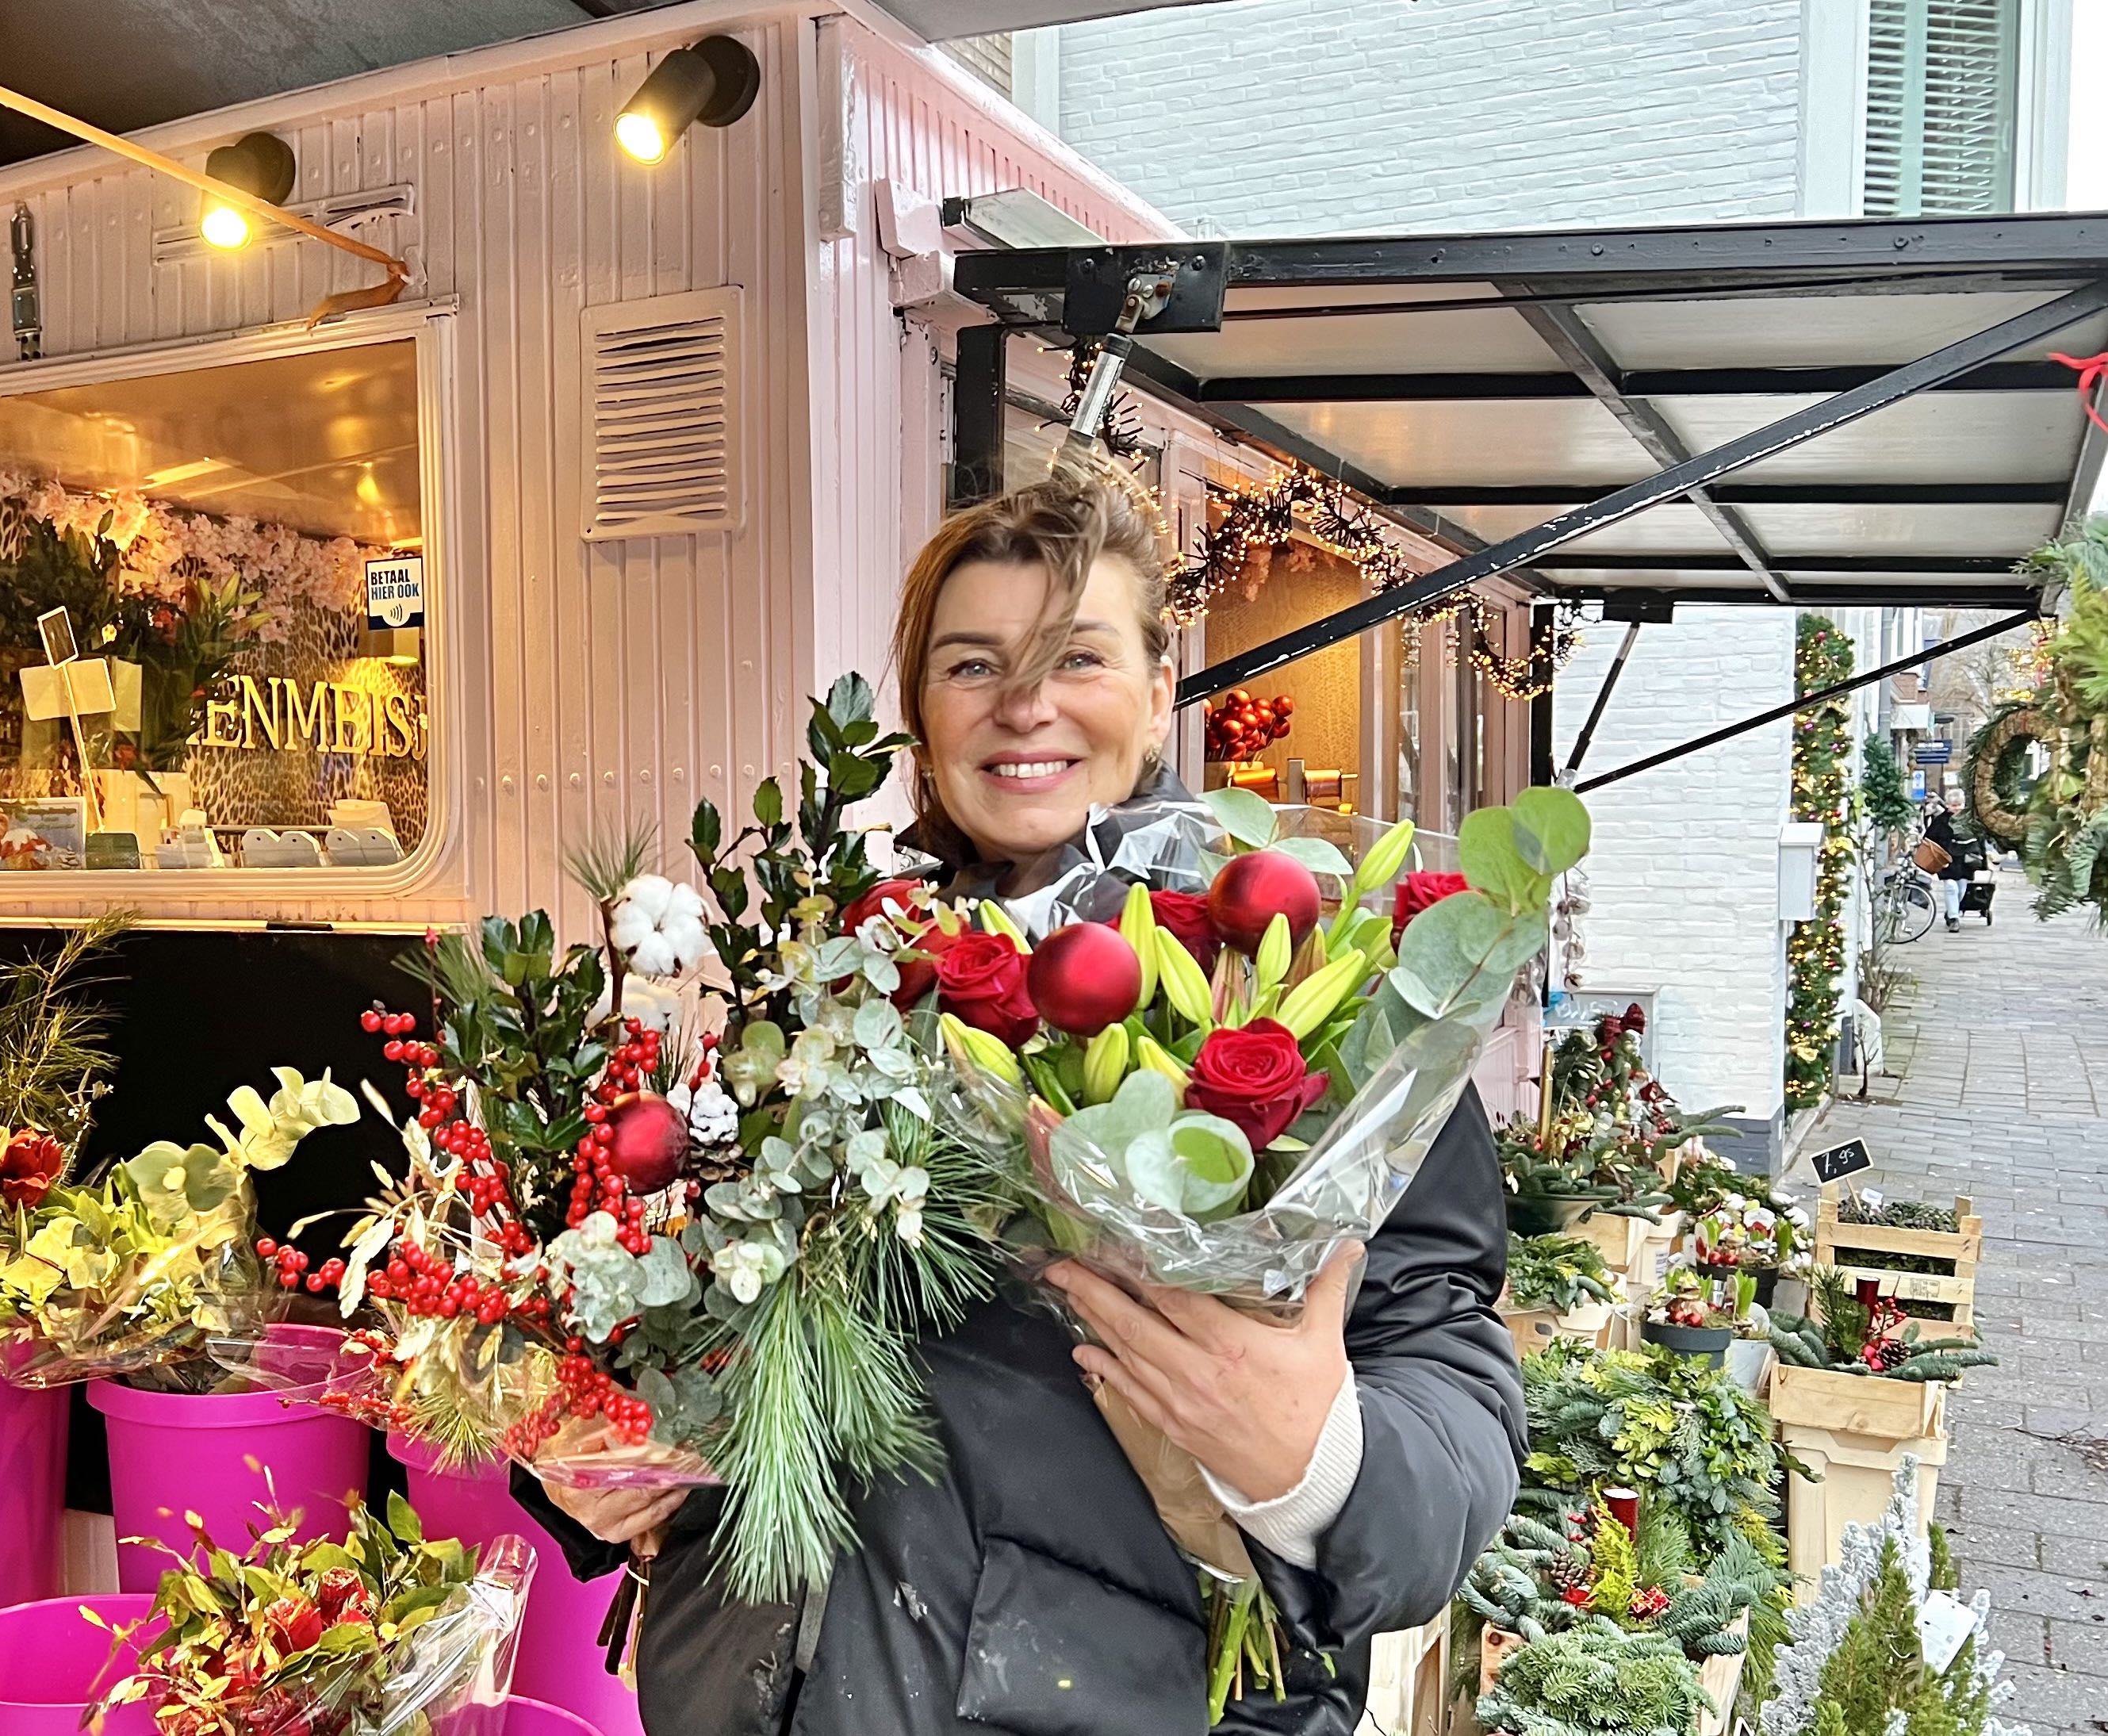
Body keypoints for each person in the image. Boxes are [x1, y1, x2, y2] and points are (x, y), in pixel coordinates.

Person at [518, 475, 1524, 1736]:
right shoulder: (825, 966)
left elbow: (1443, 1363)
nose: (1024, 704)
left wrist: (1316, 1462)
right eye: (971, 664)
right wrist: (593, 1444)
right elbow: (696, 1305)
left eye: (1078, 657)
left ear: (1160, 690)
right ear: (920, 712)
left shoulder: (1297, 981)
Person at [1922, 791, 1979, 931]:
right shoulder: (1941, 821)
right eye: (1954, 805)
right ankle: (1954, 918)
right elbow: (1929, 839)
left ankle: (1951, 911)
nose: (1957, 808)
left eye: (1959, 805)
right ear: (1947, 805)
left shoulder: (1969, 821)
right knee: (1951, 887)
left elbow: (1979, 839)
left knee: (1961, 889)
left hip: (1965, 861)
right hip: (1946, 860)